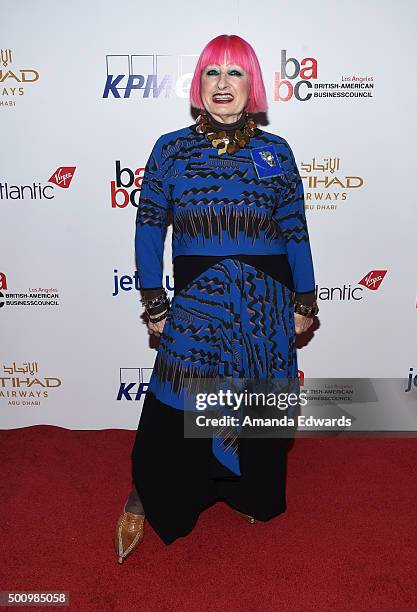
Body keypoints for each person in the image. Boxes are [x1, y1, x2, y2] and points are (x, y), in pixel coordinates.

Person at [114, 34, 318, 563]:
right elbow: (148, 227)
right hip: (200, 301)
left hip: (267, 301)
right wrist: (155, 302)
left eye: (235, 74)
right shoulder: (170, 148)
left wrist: (305, 299)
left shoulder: (276, 152)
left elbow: (295, 229)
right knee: (179, 402)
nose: (222, 84)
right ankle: (149, 494)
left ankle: (249, 491)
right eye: (212, 73)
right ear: (198, 84)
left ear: (252, 85)